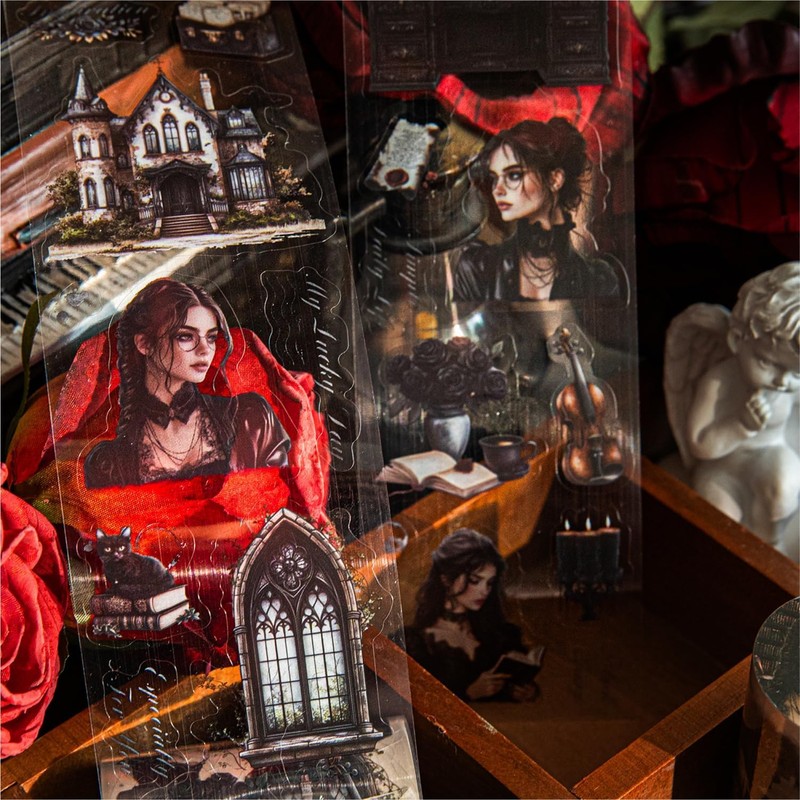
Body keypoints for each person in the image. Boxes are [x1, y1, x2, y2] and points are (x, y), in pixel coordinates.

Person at [84, 278, 290, 488]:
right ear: (144, 343)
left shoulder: (251, 420)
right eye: (186, 336)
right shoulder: (108, 465)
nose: (205, 350)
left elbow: (281, 499)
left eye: (211, 337)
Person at [683, 262, 800, 553]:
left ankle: (771, 549)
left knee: (784, 484)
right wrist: (740, 426)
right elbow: (699, 444)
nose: (781, 381)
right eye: (766, 362)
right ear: (737, 340)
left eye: (796, 373)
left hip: (770, 454)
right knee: (719, 521)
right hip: (722, 469)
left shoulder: (786, 386)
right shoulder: (719, 381)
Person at [453, 118, 621, 302]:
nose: (497, 189)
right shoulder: (477, 268)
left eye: (514, 175)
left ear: (555, 179)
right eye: (495, 178)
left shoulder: (598, 280)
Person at [405, 528, 541, 702]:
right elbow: (419, 703)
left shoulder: (498, 633)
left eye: (490, 583)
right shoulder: (418, 643)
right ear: (446, 579)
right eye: (475, 580)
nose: (484, 591)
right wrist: (469, 694)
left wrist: (523, 691)